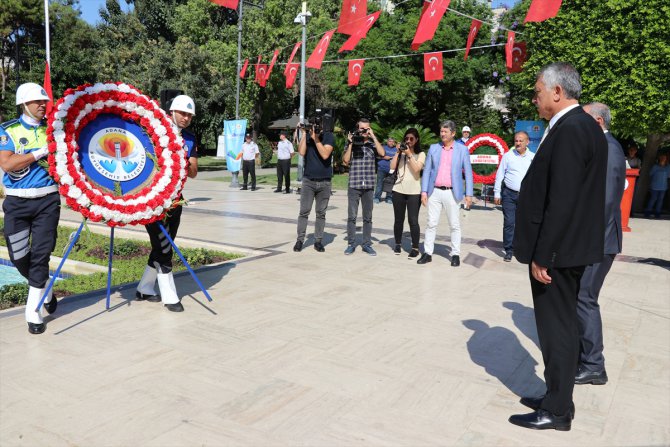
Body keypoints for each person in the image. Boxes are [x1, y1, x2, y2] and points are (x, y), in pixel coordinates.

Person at [509, 62, 608, 431]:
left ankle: (558, 411)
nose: (534, 98)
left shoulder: (571, 129)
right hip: (568, 248)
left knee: (557, 330)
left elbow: (562, 199)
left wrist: (543, 254)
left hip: (558, 253)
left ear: (556, 92)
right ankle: (557, 395)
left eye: (537, 91)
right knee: (559, 327)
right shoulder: (582, 125)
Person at [574, 102, 626, 386]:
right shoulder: (602, 147)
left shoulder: (609, 148)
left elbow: (606, 201)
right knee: (581, 297)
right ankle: (584, 356)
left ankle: (594, 365)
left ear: (596, 121)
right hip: (596, 237)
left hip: (599, 240)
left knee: (585, 298)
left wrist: (587, 240)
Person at [0, 82, 58, 334]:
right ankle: (44, 287)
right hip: (17, 202)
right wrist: (39, 153)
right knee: (19, 256)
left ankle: (32, 312)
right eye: (37, 102)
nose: (42, 105)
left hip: (47, 200)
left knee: (42, 253)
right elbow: (7, 164)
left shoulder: (53, 130)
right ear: (24, 104)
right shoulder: (8, 131)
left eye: (44, 101)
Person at [136, 94, 199, 313]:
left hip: (175, 200)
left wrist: (185, 161)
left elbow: (193, 173)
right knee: (164, 247)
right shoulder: (152, 133)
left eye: (189, 115)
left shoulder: (189, 138)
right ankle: (170, 296)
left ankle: (144, 287)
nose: (186, 118)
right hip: (152, 200)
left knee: (164, 244)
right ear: (171, 111)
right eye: (183, 113)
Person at [417, 120, 473, 266]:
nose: (442, 134)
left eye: (445, 132)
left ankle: (455, 254)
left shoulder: (462, 150)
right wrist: (423, 191)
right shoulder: (434, 148)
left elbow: (468, 172)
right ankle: (427, 253)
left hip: (452, 193)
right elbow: (427, 171)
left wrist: (469, 194)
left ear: (453, 133)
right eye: (441, 131)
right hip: (434, 192)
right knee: (431, 223)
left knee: (454, 224)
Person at [342, 118, 386, 256]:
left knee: (368, 217)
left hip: (368, 186)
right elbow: (345, 161)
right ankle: (351, 243)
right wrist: (350, 143)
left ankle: (366, 244)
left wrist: (373, 136)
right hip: (354, 185)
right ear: (357, 128)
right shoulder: (352, 144)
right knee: (352, 217)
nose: (364, 131)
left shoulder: (372, 145)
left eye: (367, 129)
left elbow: (383, 153)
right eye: (362, 129)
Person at [493, 131, 535, 262]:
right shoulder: (508, 156)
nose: (518, 143)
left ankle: (522, 249)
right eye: (516, 140)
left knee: (525, 224)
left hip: (526, 196)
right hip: (509, 194)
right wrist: (497, 192)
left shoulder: (533, 157)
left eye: (521, 141)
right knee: (509, 223)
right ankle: (509, 250)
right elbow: (500, 174)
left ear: (527, 142)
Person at [293, 124, 335, 252]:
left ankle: (318, 241)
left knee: (321, 213)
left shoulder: (328, 136)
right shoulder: (308, 136)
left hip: (324, 182)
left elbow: (325, 154)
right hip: (308, 181)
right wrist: (305, 133)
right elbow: (301, 152)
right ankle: (300, 240)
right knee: (304, 211)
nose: (317, 126)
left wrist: (315, 138)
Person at [389, 128, 425, 258]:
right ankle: (397, 243)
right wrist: (398, 153)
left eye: (411, 139)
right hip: (398, 189)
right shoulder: (401, 153)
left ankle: (415, 247)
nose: (408, 141)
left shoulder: (421, 154)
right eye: (406, 139)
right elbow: (392, 167)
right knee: (398, 220)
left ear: (416, 140)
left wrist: (409, 154)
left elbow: (416, 169)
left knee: (413, 220)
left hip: (414, 192)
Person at [644, 152, 670, 218]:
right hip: (654, 186)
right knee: (653, 198)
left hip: (663, 186)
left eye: (664, 157)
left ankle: (657, 213)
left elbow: (668, 176)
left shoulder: (668, 166)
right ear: (659, 158)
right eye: (662, 157)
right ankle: (648, 211)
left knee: (660, 200)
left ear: (666, 159)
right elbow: (650, 174)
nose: (663, 159)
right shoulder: (655, 166)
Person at [374, 136, 397, 204]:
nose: (391, 143)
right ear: (387, 142)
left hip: (392, 170)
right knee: (379, 183)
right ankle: (377, 197)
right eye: (390, 141)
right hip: (381, 169)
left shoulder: (396, 150)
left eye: (393, 142)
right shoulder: (382, 147)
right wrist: (384, 157)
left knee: (390, 184)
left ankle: (389, 198)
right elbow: (376, 156)